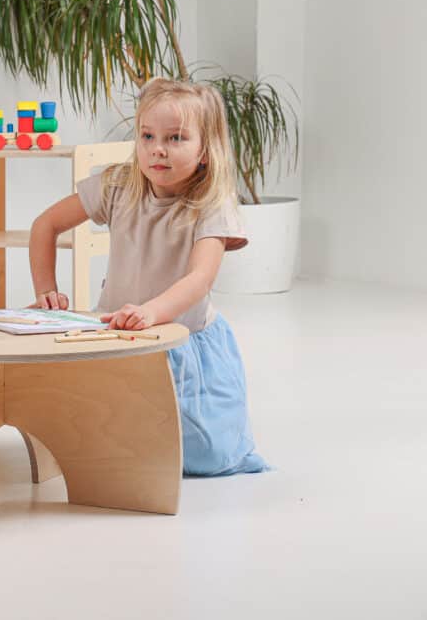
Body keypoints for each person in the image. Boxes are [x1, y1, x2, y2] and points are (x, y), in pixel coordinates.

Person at [29, 78, 267, 476]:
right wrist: (46, 291)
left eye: (176, 138)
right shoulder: (119, 185)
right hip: (115, 335)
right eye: (147, 136)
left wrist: (151, 312)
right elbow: (45, 225)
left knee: (205, 454)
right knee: (100, 438)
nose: (158, 148)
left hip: (182, 339)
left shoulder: (211, 203)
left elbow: (199, 279)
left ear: (205, 150)